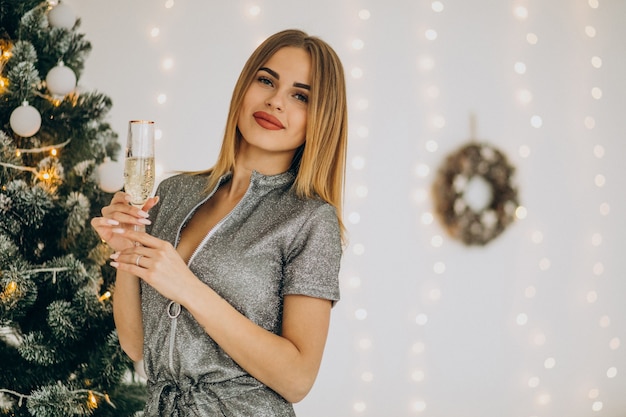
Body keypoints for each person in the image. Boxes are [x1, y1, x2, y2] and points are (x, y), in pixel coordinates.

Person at [91, 29, 348, 416]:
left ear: (320, 119)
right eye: (266, 81)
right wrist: (130, 251)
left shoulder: (311, 220)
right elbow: (137, 345)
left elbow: (297, 379)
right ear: (245, 88)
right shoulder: (174, 192)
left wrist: (188, 288)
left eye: (300, 96)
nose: (275, 101)